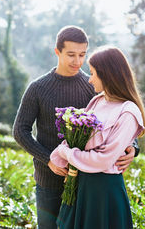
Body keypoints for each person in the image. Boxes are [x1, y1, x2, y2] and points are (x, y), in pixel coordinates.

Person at [13, 26, 139, 229]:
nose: (77, 61)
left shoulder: (94, 85)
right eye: (71, 55)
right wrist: (49, 161)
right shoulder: (37, 88)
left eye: (82, 55)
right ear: (57, 52)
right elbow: (20, 131)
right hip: (49, 180)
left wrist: (132, 146)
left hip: (84, 181)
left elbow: (115, 118)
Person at [50, 46, 145, 229]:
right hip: (80, 184)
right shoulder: (97, 101)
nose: (89, 79)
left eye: (93, 73)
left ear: (107, 74)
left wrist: (65, 152)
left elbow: (103, 160)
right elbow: (77, 140)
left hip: (103, 192)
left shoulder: (128, 112)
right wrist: (59, 156)